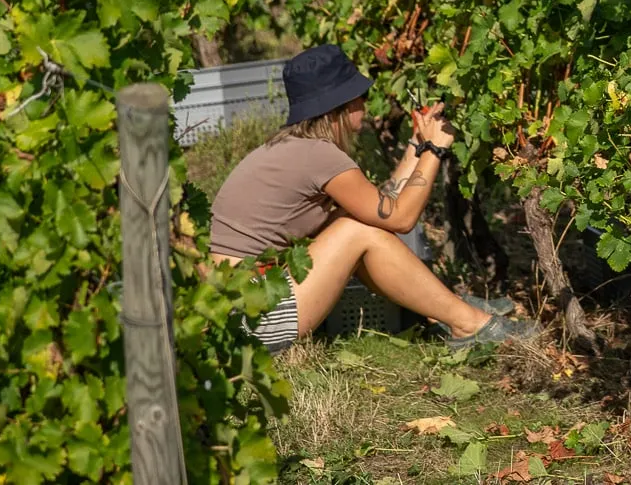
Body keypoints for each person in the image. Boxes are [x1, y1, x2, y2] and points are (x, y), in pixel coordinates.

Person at [209, 45, 534, 353]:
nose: (365, 104)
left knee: (354, 222)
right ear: (340, 106)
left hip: (240, 310)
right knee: (356, 230)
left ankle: (447, 311)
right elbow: (402, 219)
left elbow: (382, 207)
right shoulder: (318, 156)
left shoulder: (295, 149)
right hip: (257, 318)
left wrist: (416, 146)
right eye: (360, 96)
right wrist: (436, 150)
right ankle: (468, 325)